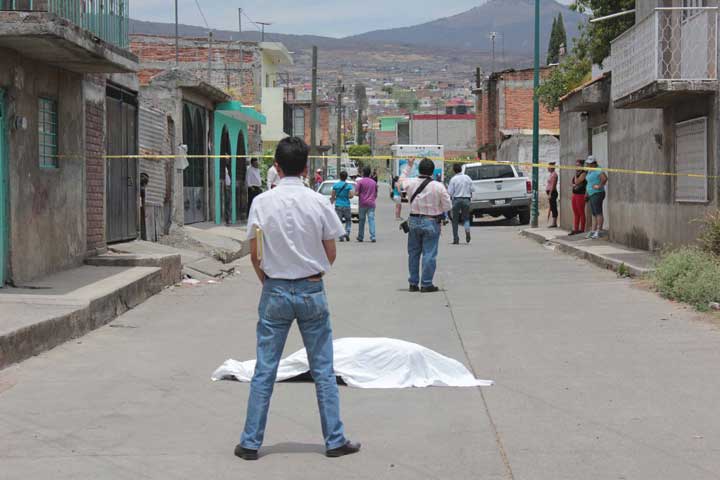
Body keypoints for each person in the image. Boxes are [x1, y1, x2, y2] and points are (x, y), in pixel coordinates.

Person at [238, 137, 360, 461]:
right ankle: (335, 439)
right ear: (306, 168)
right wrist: (312, 275)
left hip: (275, 289)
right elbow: (330, 251)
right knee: (323, 369)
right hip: (311, 289)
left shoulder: (261, 202)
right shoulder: (318, 202)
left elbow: (255, 253)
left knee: (265, 369)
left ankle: (250, 442)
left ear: (276, 167)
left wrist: (269, 281)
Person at [399, 158, 451, 293]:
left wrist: (409, 166)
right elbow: (448, 206)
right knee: (429, 253)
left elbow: (400, 182)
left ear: (419, 169)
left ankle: (413, 283)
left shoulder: (410, 183)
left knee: (413, 253)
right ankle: (426, 283)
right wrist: (437, 208)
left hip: (414, 220)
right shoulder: (439, 186)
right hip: (431, 221)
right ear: (432, 171)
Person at [447, 163, 473, 245]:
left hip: (457, 200)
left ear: (454, 170)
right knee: (466, 218)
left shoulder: (453, 179)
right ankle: (467, 231)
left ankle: (456, 239)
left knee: (455, 220)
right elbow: (472, 189)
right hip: (466, 200)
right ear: (461, 169)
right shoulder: (467, 177)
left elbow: (450, 192)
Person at [585, 155, 608, 240]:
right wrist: (587, 192)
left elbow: (604, 178)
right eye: (588, 163)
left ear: (594, 163)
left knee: (598, 212)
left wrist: (599, 186)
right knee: (594, 213)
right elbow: (589, 182)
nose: (588, 164)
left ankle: (599, 230)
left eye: (590, 163)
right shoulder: (590, 170)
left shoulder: (598, 169)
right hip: (591, 194)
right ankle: (593, 230)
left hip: (597, 193)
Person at [355, 166, 378, 243]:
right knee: (371, 220)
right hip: (371, 203)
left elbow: (357, 193)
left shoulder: (360, 182)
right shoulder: (374, 182)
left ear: (363, 173)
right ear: (369, 173)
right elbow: (376, 194)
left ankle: (360, 236)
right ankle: (373, 236)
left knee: (362, 220)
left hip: (362, 203)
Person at [331, 171, 354, 242]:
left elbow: (333, 196)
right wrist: (346, 196)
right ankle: (347, 232)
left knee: (339, 221)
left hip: (338, 205)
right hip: (346, 205)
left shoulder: (335, 185)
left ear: (340, 176)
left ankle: (341, 236)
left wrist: (332, 202)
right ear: (346, 177)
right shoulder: (349, 186)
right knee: (348, 220)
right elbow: (351, 196)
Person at [571, 159, 587, 235]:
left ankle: (582, 229)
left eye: (578, 165)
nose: (576, 166)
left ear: (582, 165)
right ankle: (576, 229)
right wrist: (575, 184)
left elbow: (576, 182)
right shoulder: (577, 173)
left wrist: (575, 182)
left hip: (581, 195)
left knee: (581, 212)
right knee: (575, 213)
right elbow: (572, 183)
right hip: (574, 194)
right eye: (576, 165)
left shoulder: (583, 173)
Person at [546, 162, 559, 228]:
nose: (548, 168)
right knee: (552, 207)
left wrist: (550, 194)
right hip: (550, 192)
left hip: (553, 192)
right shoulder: (551, 174)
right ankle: (553, 222)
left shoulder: (554, 175)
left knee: (553, 207)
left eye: (549, 167)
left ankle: (554, 223)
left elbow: (553, 185)